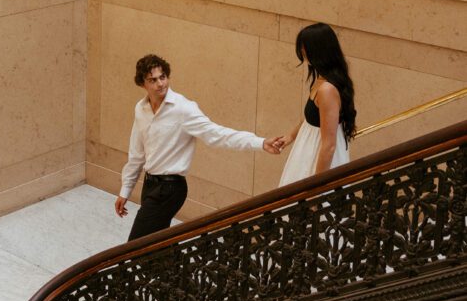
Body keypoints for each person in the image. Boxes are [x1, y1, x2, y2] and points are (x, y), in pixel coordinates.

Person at [115, 54, 284, 241]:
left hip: (171, 188)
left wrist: (260, 142)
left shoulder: (183, 109)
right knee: (156, 245)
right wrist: (125, 190)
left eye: (163, 77)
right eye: (152, 80)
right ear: (142, 84)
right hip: (150, 185)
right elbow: (136, 154)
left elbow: (218, 135)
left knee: (135, 245)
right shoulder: (141, 109)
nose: (160, 84)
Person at [278, 23, 356, 187]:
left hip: (316, 156)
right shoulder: (321, 81)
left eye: (304, 48)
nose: (302, 53)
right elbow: (311, 119)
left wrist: (316, 188)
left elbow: (329, 146)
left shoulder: (327, 90)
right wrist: (290, 136)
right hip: (307, 148)